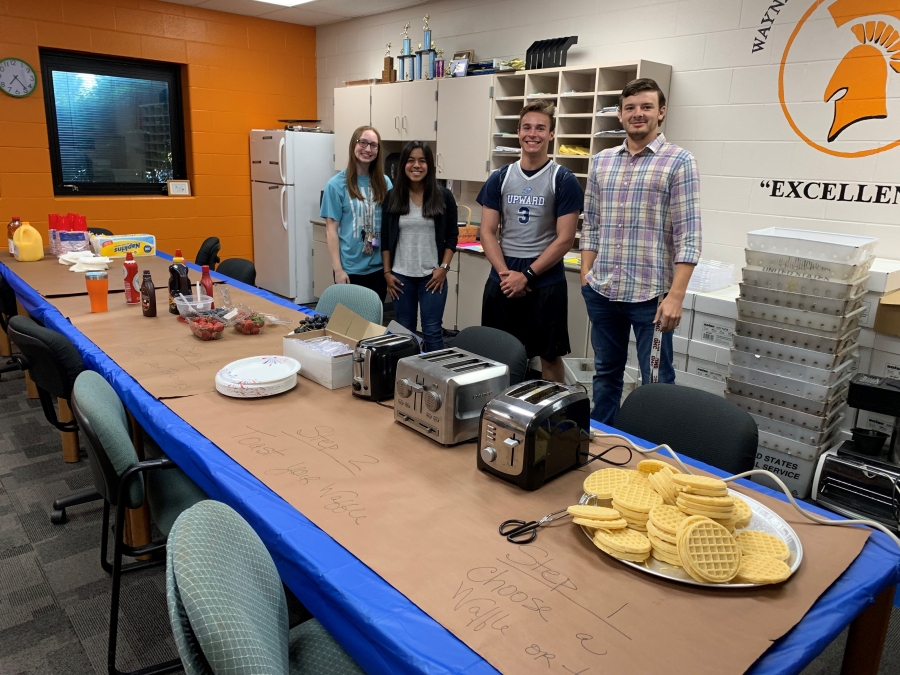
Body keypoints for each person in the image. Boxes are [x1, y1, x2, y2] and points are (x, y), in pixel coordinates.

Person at [581, 77, 701, 424]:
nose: (638, 114)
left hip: (652, 300)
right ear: (619, 114)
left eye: (646, 107)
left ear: (661, 112)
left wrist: (676, 296)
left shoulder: (679, 162)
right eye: (630, 107)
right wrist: (587, 275)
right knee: (605, 374)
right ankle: (600, 439)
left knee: (656, 381)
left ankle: (653, 452)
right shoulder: (602, 161)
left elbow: (689, 235)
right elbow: (592, 223)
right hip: (603, 292)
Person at [477, 100, 584, 382]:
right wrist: (506, 275)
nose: (532, 133)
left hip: (544, 280)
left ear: (551, 135)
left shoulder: (563, 179)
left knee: (548, 355)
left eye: (540, 128)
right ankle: (495, 413)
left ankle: (549, 421)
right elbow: (487, 232)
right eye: (527, 127)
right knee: (496, 353)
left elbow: (565, 239)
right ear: (518, 131)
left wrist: (526, 275)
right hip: (502, 276)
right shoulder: (500, 177)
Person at [382, 142, 458, 352]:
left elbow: (452, 236)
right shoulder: (393, 196)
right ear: (403, 164)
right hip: (400, 277)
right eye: (411, 160)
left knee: (432, 330)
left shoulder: (443, 197)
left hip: (432, 278)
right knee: (404, 331)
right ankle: (405, 377)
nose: (416, 165)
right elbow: (386, 237)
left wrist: (444, 268)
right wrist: (387, 272)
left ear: (430, 165)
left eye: (422, 160)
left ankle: (435, 380)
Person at [320, 126, 393, 300]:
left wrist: (389, 268)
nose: (368, 149)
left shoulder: (385, 182)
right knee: (349, 325)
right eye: (363, 143)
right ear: (354, 144)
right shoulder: (336, 185)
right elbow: (331, 230)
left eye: (373, 145)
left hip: (378, 269)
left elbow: (390, 225)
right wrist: (338, 269)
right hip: (349, 269)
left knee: (373, 324)